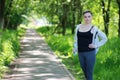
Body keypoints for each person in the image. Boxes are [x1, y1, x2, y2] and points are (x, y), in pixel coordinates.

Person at [73, 10, 107, 80]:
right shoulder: (78, 27)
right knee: (85, 72)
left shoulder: (94, 29)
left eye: (89, 16)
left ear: (91, 17)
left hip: (90, 53)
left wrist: (96, 45)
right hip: (80, 53)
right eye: (85, 17)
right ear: (83, 18)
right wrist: (75, 48)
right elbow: (76, 39)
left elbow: (104, 38)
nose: (87, 18)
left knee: (89, 73)